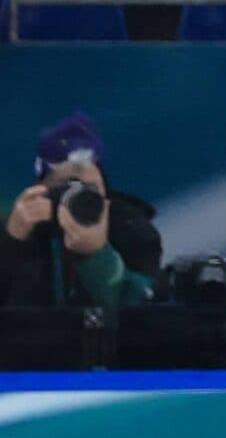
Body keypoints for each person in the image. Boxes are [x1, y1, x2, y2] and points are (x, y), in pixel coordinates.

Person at [3, 114, 159, 313]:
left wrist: (99, 256)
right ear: (39, 191)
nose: (78, 197)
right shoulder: (22, 229)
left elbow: (150, 312)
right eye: (65, 187)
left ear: (106, 193)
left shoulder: (130, 228)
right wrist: (11, 243)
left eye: (89, 189)